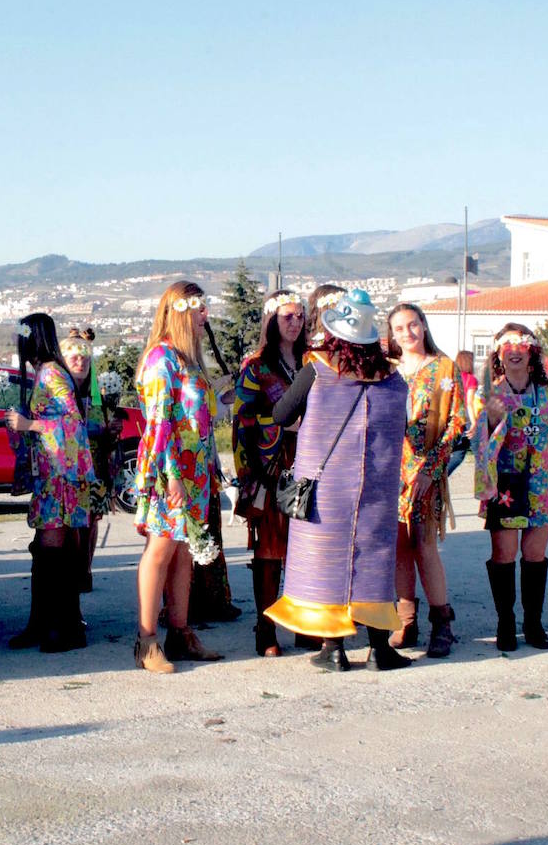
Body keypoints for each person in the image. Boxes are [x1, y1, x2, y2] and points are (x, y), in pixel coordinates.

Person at [268, 289, 411, 672]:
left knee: (327, 563)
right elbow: (403, 427)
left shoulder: (318, 369)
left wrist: (310, 424)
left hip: (327, 488)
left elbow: (281, 414)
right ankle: (380, 649)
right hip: (377, 488)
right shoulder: (393, 378)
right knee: (374, 561)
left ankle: (334, 650)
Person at [130, 280, 224, 672]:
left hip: (196, 472)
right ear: (182, 311)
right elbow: (158, 424)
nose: (206, 317)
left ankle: (181, 632)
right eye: (200, 309)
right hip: (170, 472)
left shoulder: (189, 359)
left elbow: (199, 419)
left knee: (184, 549)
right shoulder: (161, 359)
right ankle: (147, 639)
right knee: (162, 548)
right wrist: (170, 476)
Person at [474, 324, 548, 652]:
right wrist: (493, 422)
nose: (514, 350)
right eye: (506, 345)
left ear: (533, 351)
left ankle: (533, 622)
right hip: (506, 485)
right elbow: (481, 447)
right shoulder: (491, 394)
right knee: (504, 554)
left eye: (521, 344)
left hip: (541, 486)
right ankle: (505, 621)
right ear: (498, 354)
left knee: (535, 555)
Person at [4, 313, 95, 653]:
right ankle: (45, 623)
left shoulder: (52, 373)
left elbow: (72, 424)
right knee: (47, 548)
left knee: (53, 548)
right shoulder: (47, 372)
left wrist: (29, 425)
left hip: (63, 474)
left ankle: (65, 627)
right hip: (53, 471)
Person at [386, 303, 464, 658]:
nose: (407, 333)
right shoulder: (386, 370)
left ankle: (441, 623)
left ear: (423, 325)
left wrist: (432, 470)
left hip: (427, 471)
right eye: (399, 328)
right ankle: (406, 620)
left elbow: (456, 422)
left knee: (424, 546)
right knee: (399, 548)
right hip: (389, 472)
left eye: (412, 325)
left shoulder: (444, 368)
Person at [231, 289, 306, 657]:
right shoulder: (256, 365)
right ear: (271, 320)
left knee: (306, 546)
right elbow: (242, 419)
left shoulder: (313, 362)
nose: (294, 322)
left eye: (300, 316)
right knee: (270, 548)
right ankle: (266, 627)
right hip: (271, 464)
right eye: (287, 316)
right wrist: (280, 427)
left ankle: (306, 621)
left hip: (310, 463)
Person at [61, 327, 115, 597]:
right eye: (74, 359)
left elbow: (100, 430)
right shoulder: (60, 394)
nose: (81, 363)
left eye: (85, 358)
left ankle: (86, 568)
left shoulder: (97, 396)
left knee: (93, 519)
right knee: (74, 523)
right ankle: (74, 569)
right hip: (70, 470)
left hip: (94, 466)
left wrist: (110, 432)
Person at [445, 350, 479, 474]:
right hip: (468, 419)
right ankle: (488, 486)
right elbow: (469, 403)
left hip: (454, 419)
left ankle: (438, 480)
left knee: (458, 454)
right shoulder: (471, 379)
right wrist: (474, 423)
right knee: (480, 456)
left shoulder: (451, 378)